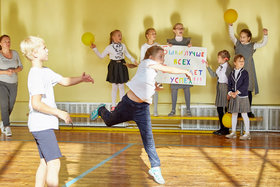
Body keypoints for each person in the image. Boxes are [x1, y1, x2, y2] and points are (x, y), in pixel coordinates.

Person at [90, 46, 192, 184]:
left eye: (163, 57)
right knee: (109, 121)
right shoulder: (146, 63)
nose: (163, 59)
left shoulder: (152, 71)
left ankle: (155, 168)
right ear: (151, 57)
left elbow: (146, 83)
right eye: (161, 56)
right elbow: (167, 69)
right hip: (128, 104)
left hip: (142, 109)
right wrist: (184, 71)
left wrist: (154, 87)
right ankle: (101, 109)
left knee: (148, 139)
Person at [20, 36, 94, 187]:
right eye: (44, 48)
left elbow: (64, 81)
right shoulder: (35, 75)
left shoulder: (45, 71)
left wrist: (81, 79)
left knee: (45, 163)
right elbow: (36, 103)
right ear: (35, 53)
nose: (48, 50)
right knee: (54, 164)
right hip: (41, 125)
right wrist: (59, 112)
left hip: (40, 125)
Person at [90, 29, 138, 111]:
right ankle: (113, 106)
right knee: (114, 86)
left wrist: (134, 61)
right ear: (113, 37)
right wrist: (95, 49)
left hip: (122, 65)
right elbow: (101, 56)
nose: (120, 37)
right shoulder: (109, 47)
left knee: (121, 86)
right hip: (114, 66)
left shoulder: (123, 45)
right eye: (118, 35)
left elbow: (128, 55)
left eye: (121, 35)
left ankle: (123, 105)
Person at [228, 23, 268, 117]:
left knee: (247, 91)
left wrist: (265, 35)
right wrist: (230, 26)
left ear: (248, 38)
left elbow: (263, 43)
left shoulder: (252, 46)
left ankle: (248, 110)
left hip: (248, 71)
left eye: (244, 37)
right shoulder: (237, 43)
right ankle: (236, 111)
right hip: (237, 72)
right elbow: (231, 35)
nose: (241, 39)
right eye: (241, 37)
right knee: (237, 90)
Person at [167, 23, 193, 116]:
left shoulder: (188, 41)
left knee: (187, 89)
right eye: (178, 28)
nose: (180, 29)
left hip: (185, 69)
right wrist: (168, 48)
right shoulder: (170, 41)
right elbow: (167, 56)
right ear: (174, 30)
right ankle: (173, 110)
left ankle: (188, 109)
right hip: (175, 70)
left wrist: (191, 47)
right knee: (174, 89)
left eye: (182, 28)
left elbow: (192, 55)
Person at [0, 34, 23, 136]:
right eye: (5, 41)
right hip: (2, 83)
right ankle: (7, 126)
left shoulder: (15, 53)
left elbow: (20, 67)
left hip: (13, 83)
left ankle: (3, 122)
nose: (7, 43)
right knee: (4, 104)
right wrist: (6, 72)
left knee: (11, 104)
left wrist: (14, 70)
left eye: (9, 41)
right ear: (0, 43)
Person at [206, 50, 232, 135]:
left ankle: (226, 129)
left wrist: (229, 93)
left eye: (219, 57)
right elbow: (214, 75)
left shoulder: (228, 68)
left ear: (225, 59)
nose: (217, 59)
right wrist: (207, 67)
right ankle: (222, 128)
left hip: (225, 88)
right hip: (220, 88)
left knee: (225, 109)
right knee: (219, 109)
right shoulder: (220, 67)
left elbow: (231, 81)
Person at [226, 54, 251, 140]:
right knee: (234, 114)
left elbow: (245, 85)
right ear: (234, 63)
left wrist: (236, 92)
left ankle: (247, 133)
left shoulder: (245, 73)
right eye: (240, 61)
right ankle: (233, 132)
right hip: (234, 97)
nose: (242, 63)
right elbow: (229, 85)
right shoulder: (232, 73)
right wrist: (230, 93)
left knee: (244, 114)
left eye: (243, 61)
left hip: (242, 96)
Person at [140, 28, 161, 116]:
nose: (154, 35)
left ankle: (155, 110)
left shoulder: (158, 45)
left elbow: (161, 56)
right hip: (147, 72)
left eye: (155, 33)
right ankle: (146, 110)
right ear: (147, 36)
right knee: (147, 91)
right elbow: (142, 59)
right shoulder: (144, 47)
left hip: (156, 71)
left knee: (156, 90)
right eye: (152, 34)